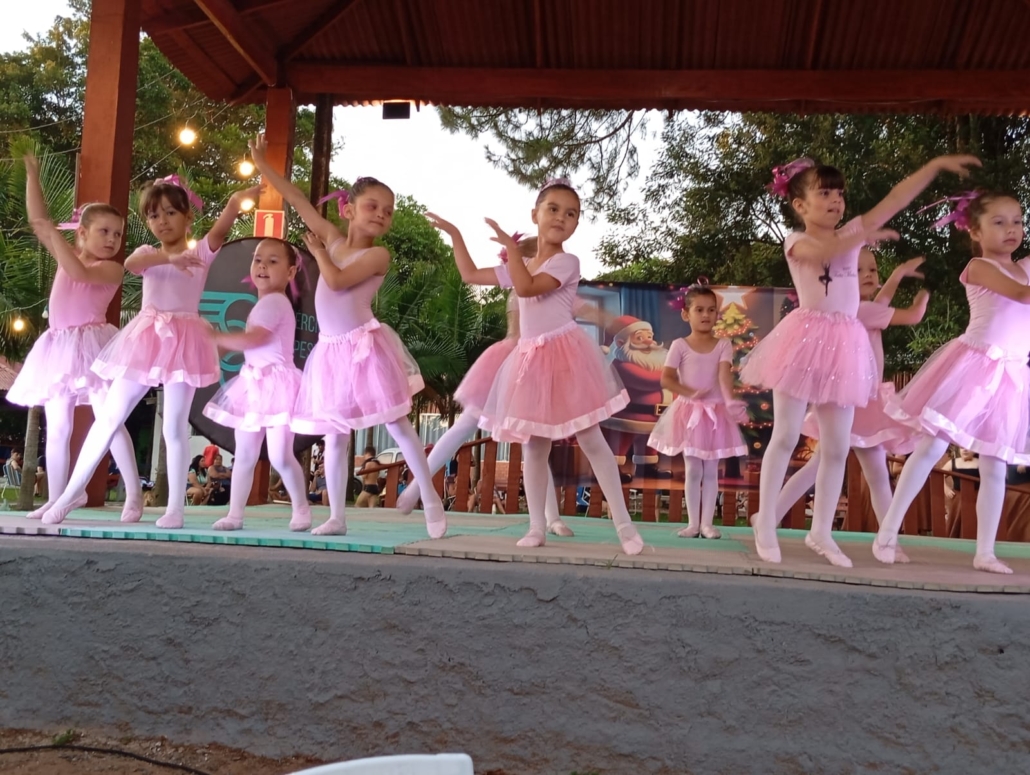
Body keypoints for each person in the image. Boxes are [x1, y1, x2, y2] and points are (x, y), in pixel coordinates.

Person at [742, 153, 980, 567]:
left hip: (844, 345)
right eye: (824, 193)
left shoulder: (851, 232)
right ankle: (765, 523)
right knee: (786, 434)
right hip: (803, 341)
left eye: (839, 193)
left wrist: (933, 167)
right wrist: (861, 235)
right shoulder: (796, 240)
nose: (836, 200)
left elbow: (895, 199)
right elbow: (823, 250)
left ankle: (821, 533)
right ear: (799, 205)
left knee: (836, 446)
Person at [427, 178, 644, 554]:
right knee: (535, 445)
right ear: (535, 214)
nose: (561, 217)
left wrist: (511, 251)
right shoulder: (523, 263)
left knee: (591, 439)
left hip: (566, 356)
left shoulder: (566, 262)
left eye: (571, 213)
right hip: (531, 362)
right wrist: (456, 235)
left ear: (576, 224)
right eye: (553, 209)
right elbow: (471, 275)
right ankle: (537, 526)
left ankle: (625, 526)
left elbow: (527, 287)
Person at [250, 133, 446, 538]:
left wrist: (320, 253)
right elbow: (299, 201)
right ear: (348, 209)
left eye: (388, 211)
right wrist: (265, 167)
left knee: (397, 425)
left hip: (363, 347)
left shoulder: (377, 255)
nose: (381, 215)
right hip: (330, 352)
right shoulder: (334, 239)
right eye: (372, 206)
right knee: (334, 437)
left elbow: (337, 281)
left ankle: (429, 497)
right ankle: (337, 516)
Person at [42, 175, 260, 527]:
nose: (162, 221)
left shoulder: (202, 252)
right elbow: (132, 264)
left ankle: (175, 508)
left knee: (173, 427)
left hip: (184, 341)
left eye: (171, 213)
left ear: (188, 217)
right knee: (109, 417)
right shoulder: (147, 253)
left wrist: (235, 203)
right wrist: (170, 258)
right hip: (145, 338)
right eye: (154, 215)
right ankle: (69, 495)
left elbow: (222, 228)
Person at [874, 190, 1030, 574]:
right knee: (932, 448)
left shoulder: (1024, 266)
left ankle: (985, 552)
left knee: (995, 465)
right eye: (999, 222)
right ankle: (887, 533)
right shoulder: (980, 267)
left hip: (1009, 377)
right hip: (974, 368)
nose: (1011, 229)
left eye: (1018, 221)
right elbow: (1021, 295)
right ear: (975, 231)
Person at [394, 231, 574, 536]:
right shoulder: (523, 287)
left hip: (527, 363)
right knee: (486, 428)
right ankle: (416, 489)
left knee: (531, 439)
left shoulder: (536, 286)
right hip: (515, 362)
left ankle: (551, 517)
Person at [772, 250, 931, 562]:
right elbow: (913, 316)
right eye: (859, 270)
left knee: (826, 468)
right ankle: (889, 542)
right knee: (874, 475)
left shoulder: (858, 309)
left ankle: (770, 515)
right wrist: (927, 292)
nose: (869, 274)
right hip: (860, 402)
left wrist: (897, 274)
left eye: (873, 269)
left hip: (855, 399)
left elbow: (882, 301)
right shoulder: (862, 310)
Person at [9, 152, 142, 521]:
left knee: (109, 419)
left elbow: (79, 273)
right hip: (58, 345)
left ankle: (134, 493)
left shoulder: (111, 269)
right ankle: (59, 496)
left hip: (92, 345)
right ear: (82, 232)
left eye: (117, 234)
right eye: (104, 231)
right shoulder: (70, 253)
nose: (112, 239)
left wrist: (54, 236)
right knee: (58, 427)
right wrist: (32, 174)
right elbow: (38, 221)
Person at [202, 238, 311, 530]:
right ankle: (235, 514)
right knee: (246, 454)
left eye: (273, 261)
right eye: (258, 259)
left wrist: (217, 337)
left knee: (279, 455)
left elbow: (255, 339)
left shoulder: (275, 302)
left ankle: (301, 507)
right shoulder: (264, 303)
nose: (262, 266)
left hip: (276, 385)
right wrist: (217, 347)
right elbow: (250, 343)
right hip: (253, 383)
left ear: (290, 272)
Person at [648, 283, 748, 539]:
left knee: (712, 470)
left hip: (715, 415)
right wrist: (689, 393)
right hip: (689, 414)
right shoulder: (679, 345)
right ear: (686, 314)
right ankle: (693, 524)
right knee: (693, 469)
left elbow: (724, 375)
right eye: (699, 310)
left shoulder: (723, 344)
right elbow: (667, 379)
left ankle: (707, 525)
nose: (706, 315)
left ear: (717, 315)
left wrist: (729, 401)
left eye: (711, 310)